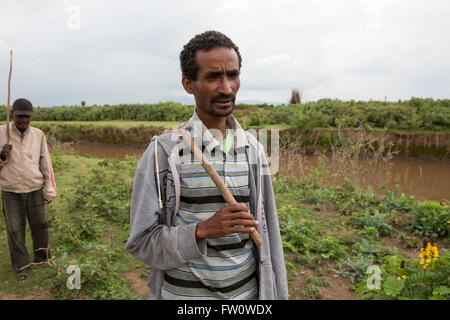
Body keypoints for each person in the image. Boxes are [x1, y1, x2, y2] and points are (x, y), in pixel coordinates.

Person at [126, 30, 288, 300]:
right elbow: (141, 242)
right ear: (189, 84)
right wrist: (202, 230)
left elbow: (269, 235)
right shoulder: (164, 151)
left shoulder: (254, 150)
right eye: (213, 77)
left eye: (233, 75)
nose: (226, 88)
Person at [0, 98, 57, 281]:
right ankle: (22, 266)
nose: (24, 121)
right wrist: (2, 156)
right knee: (15, 230)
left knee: (41, 226)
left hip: (34, 188)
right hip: (11, 190)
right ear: (12, 115)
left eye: (27, 117)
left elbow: (45, 162)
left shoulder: (39, 134)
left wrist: (49, 188)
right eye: (20, 117)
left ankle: (42, 259)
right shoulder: (1, 132)